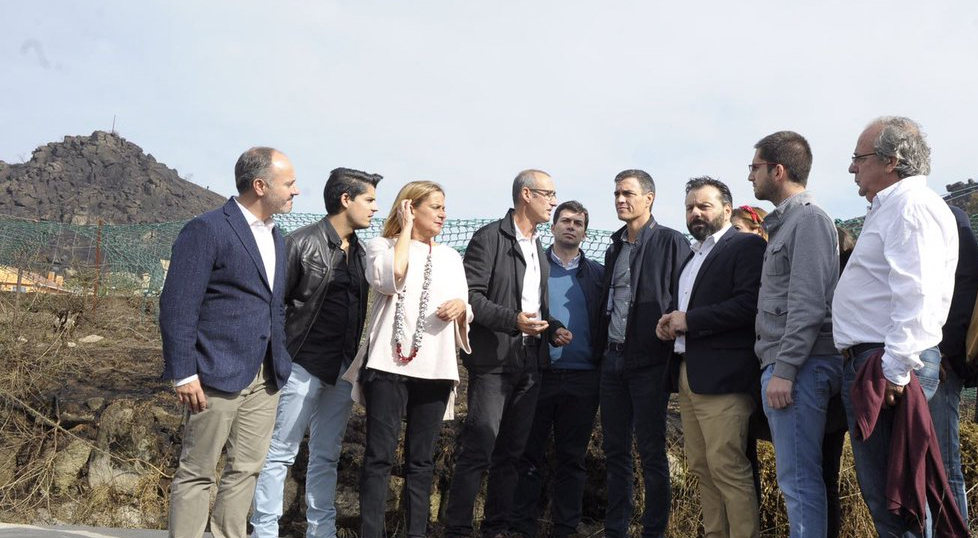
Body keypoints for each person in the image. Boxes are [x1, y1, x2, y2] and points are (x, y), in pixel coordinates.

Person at [834, 116, 965, 537]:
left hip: (885, 364)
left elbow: (918, 295)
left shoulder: (911, 207)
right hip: (879, 361)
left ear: (891, 160)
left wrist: (894, 370)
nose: (852, 167)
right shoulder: (892, 208)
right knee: (892, 500)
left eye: (859, 157)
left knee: (899, 502)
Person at [160, 147, 299, 538]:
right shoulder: (207, 229)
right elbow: (177, 305)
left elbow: (274, 306)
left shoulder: (278, 237)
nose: (295, 191)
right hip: (213, 373)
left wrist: (280, 357)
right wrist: (184, 372)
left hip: (266, 374)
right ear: (260, 185)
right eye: (288, 183)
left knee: (247, 470)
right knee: (198, 471)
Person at [250, 168, 381, 538]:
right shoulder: (300, 243)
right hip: (301, 364)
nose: (375, 208)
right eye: (368, 200)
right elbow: (274, 307)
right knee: (281, 452)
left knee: (327, 456)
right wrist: (278, 360)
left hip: (342, 369)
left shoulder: (360, 253)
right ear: (345, 199)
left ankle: (320, 531)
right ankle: (264, 531)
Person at [443, 170, 569, 538]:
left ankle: (495, 527)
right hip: (493, 362)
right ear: (526, 195)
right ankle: (457, 530)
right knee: (478, 449)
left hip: (531, 362)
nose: (553, 201)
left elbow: (533, 304)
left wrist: (554, 325)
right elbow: (474, 299)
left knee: (512, 454)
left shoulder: (537, 247)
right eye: (548, 194)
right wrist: (514, 321)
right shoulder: (488, 238)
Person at [344, 181, 472, 538]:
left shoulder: (450, 256)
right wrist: (403, 231)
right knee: (379, 456)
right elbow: (390, 277)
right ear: (410, 209)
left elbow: (464, 303)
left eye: (444, 207)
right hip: (387, 365)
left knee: (421, 461)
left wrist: (462, 307)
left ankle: (416, 532)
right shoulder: (380, 245)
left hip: (434, 369)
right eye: (436, 207)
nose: (444, 214)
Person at [656, 177, 764, 538]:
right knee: (702, 468)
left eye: (704, 205)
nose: (696, 213)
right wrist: (671, 322)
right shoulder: (693, 256)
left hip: (725, 379)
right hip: (690, 375)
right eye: (690, 207)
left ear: (727, 209)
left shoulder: (745, 246)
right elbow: (691, 311)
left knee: (727, 468)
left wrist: (690, 320)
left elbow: (750, 305)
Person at [749, 131, 842, 538]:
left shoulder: (808, 220)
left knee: (799, 481)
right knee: (799, 480)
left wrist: (784, 369)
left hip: (800, 369)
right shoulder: (787, 224)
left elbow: (807, 305)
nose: (750, 176)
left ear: (778, 170)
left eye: (754, 167)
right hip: (792, 367)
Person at [598, 169, 691, 538]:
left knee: (651, 452)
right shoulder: (614, 247)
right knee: (615, 451)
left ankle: (654, 530)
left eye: (628, 193)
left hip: (650, 362)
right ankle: (615, 529)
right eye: (617, 193)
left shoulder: (670, 241)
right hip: (612, 360)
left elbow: (684, 297)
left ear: (649, 198)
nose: (621, 199)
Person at [509, 201, 605, 538]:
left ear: (585, 232)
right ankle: (522, 527)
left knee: (572, 459)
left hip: (583, 377)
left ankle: (565, 528)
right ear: (552, 226)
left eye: (578, 223)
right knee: (528, 454)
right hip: (538, 372)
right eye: (565, 220)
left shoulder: (597, 274)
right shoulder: (535, 267)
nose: (571, 226)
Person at [932, 204, 978, 530]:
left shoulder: (949, 218)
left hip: (940, 363)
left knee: (944, 464)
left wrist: (942, 350)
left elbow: (964, 284)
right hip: (923, 360)